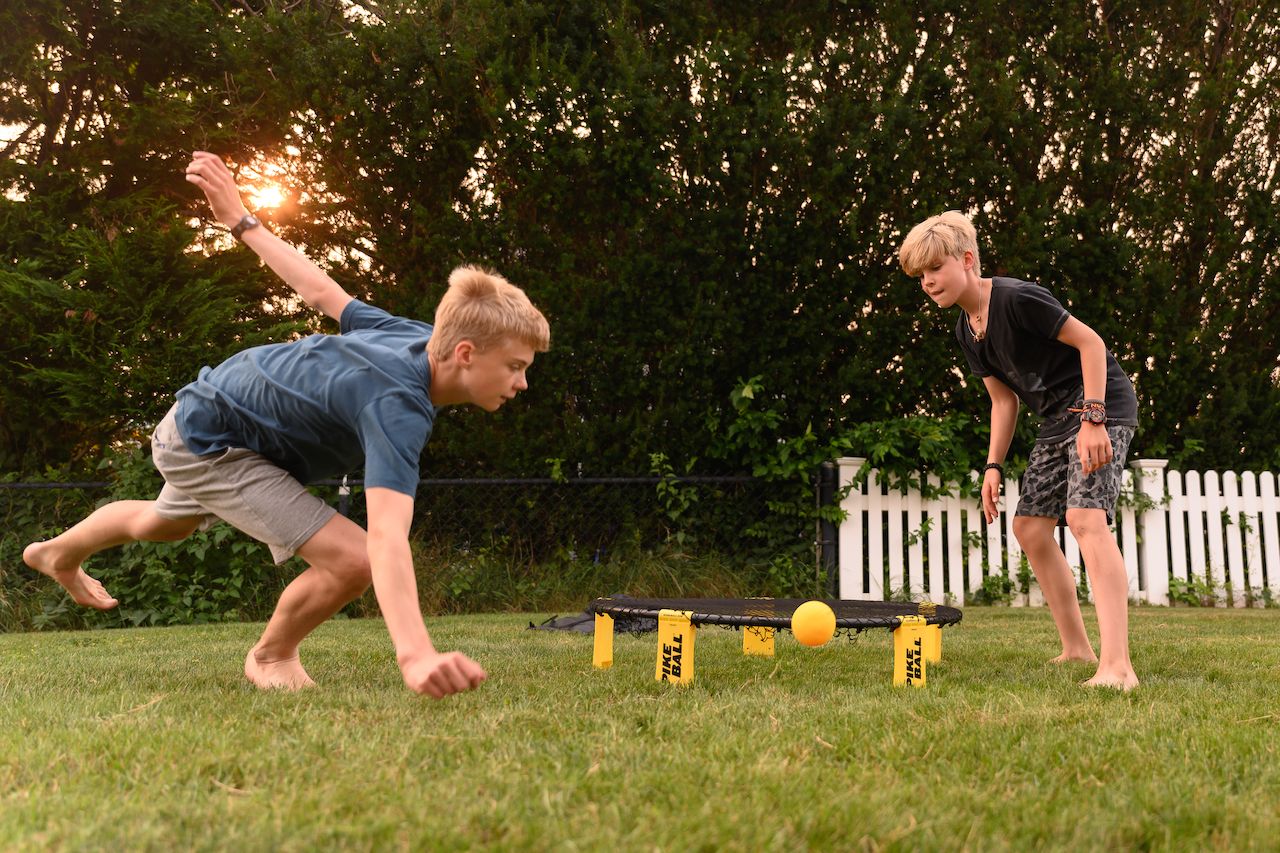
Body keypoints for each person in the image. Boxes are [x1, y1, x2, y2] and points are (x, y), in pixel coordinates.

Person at [23, 151, 550, 698]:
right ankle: (271, 656)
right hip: (216, 439)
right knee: (349, 558)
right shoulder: (397, 401)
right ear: (464, 353)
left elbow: (321, 291)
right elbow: (387, 539)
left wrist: (242, 221)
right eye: (515, 367)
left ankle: (57, 551)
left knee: (163, 522)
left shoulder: (412, 337)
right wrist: (416, 654)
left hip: (208, 418)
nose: (521, 383)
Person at [899, 211, 1139, 690]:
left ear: (967, 260)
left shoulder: (1016, 298)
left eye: (935, 269)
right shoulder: (967, 330)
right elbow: (1003, 401)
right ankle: (1076, 648)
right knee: (1030, 527)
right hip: (1056, 419)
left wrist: (1094, 419)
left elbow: (1091, 343)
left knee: (1086, 520)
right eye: (919, 276)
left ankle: (1118, 668)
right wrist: (992, 465)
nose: (927, 282)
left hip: (1100, 405)